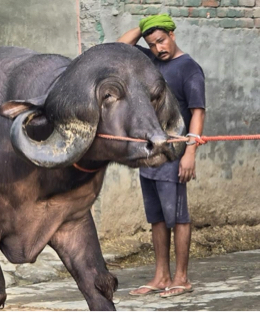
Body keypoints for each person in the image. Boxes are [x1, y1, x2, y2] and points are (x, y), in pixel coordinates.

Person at [117, 14, 206, 298]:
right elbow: (119, 47)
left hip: (175, 153)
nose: (158, 48)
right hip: (149, 153)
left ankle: (181, 278)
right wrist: (143, 27)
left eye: (161, 40)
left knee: (178, 217)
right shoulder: (151, 61)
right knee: (156, 218)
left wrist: (190, 152)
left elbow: (198, 112)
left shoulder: (189, 69)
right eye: (152, 44)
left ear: (173, 35)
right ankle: (161, 276)